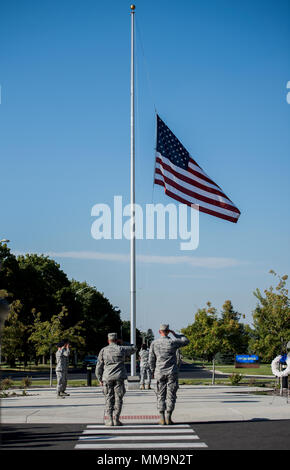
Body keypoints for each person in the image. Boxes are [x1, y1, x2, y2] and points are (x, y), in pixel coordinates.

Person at [149, 324, 189, 425]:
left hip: (160, 372)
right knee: (171, 395)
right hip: (172, 372)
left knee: (160, 395)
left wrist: (153, 370)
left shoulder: (154, 343)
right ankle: (168, 417)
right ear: (168, 331)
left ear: (159, 332)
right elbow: (186, 341)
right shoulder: (173, 342)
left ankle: (161, 417)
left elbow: (151, 359)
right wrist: (175, 334)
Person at [95, 332, 137, 426]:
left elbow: (99, 366)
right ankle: (116, 419)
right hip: (119, 377)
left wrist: (99, 378)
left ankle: (109, 419)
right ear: (117, 340)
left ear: (108, 340)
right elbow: (134, 348)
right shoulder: (121, 349)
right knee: (118, 398)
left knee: (108, 398)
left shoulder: (103, 350)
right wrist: (124, 342)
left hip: (107, 377)